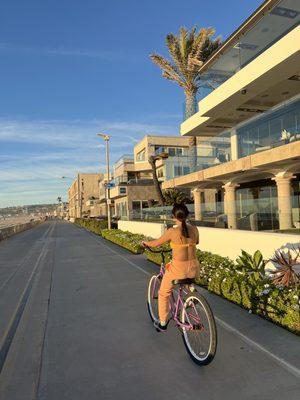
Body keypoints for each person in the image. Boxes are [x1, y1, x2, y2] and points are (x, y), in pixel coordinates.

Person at [142, 203, 199, 332]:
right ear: (187, 215)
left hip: (179, 269)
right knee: (186, 276)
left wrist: (145, 243)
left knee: (163, 293)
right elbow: (197, 242)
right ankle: (191, 292)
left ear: (173, 216)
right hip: (194, 268)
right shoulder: (195, 229)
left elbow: (156, 243)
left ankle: (162, 322)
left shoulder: (172, 231)